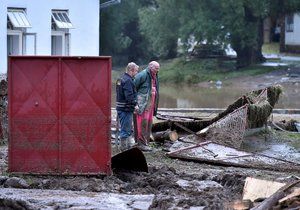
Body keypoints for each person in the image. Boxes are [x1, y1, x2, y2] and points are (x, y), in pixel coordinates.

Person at [134, 61, 160, 151]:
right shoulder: (142, 75)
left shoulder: (155, 75)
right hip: (142, 105)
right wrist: (135, 103)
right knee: (142, 123)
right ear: (150, 67)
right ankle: (140, 144)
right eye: (156, 68)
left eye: (158, 68)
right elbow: (133, 88)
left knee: (148, 123)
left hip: (150, 105)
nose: (158, 70)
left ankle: (146, 143)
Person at [116, 62, 139, 151]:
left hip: (120, 107)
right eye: (136, 71)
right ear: (131, 70)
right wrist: (135, 105)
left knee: (127, 128)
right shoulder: (128, 80)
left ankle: (129, 147)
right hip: (125, 109)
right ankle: (124, 149)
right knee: (125, 130)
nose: (136, 73)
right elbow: (129, 96)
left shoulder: (120, 79)